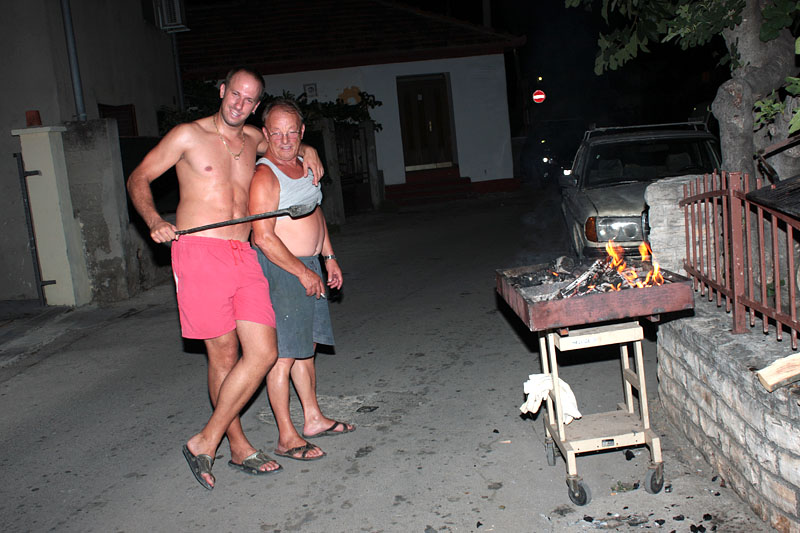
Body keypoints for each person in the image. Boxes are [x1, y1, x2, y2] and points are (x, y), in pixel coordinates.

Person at [126, 67, 323, 489]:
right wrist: (153, 219)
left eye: (250, 100)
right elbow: (138, 176)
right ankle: (235, 444)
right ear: (222, 91)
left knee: (264, 351)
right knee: (223, 356)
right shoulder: (186, 135)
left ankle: (205, 439)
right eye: (236, 94)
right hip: (201, 254)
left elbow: (287, 140)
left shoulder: (255, 138)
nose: (241, 104)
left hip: (245, 253)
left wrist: (309, 148)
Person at [250, 99, 354, 462]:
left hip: (309, 263)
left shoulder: (304, 165)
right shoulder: (265, 175)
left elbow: (315, 210)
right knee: (281, 356)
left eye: (291, 132)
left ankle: (312, 418)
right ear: (265, 135)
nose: (283, 139)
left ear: (302, 133)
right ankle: (286, 436)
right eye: (275, 133)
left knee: (305, 350)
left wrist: (328, 256)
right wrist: (302, 271)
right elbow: (262, 236)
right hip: (284, 271)